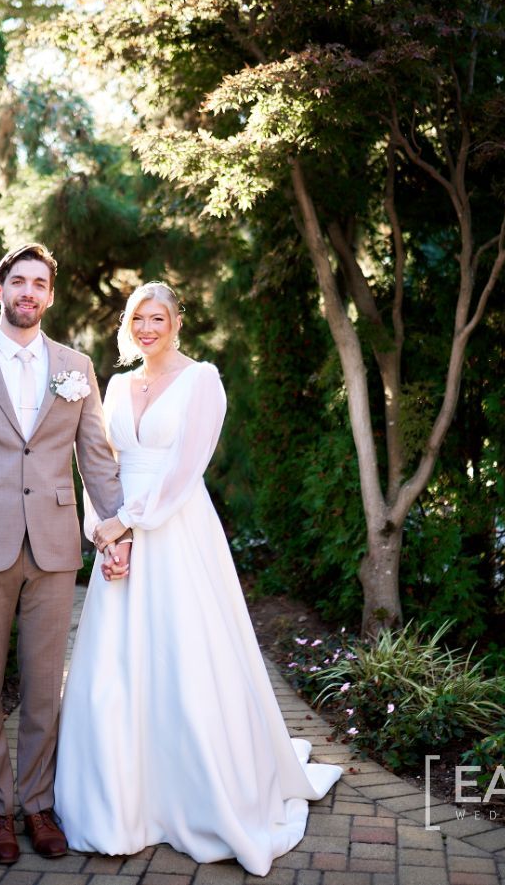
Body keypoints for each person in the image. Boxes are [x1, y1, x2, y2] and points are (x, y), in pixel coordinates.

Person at [54, 281, 341, 876]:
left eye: (158, 317)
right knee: (116, 665)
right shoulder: (114, 384)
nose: (148, 327)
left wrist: (129, 523)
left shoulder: (202, 380)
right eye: (139, 318)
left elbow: (186, 469)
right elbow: (97, 462)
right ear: (128, 325)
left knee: (182, 655)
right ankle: (120, 802)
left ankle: (197, 795)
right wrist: (104, 530)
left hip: (176, 528)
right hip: (120, 531)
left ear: (178, 322)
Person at [0, 243, 130, 865]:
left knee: (44, 690)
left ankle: (38, 804)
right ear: (0, 290)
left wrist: (116, 533)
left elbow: (95, 456)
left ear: (49, 295)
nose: (29, 292)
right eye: (19, 282)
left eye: (39, 283)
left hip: (54, 547)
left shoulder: (76, 366)